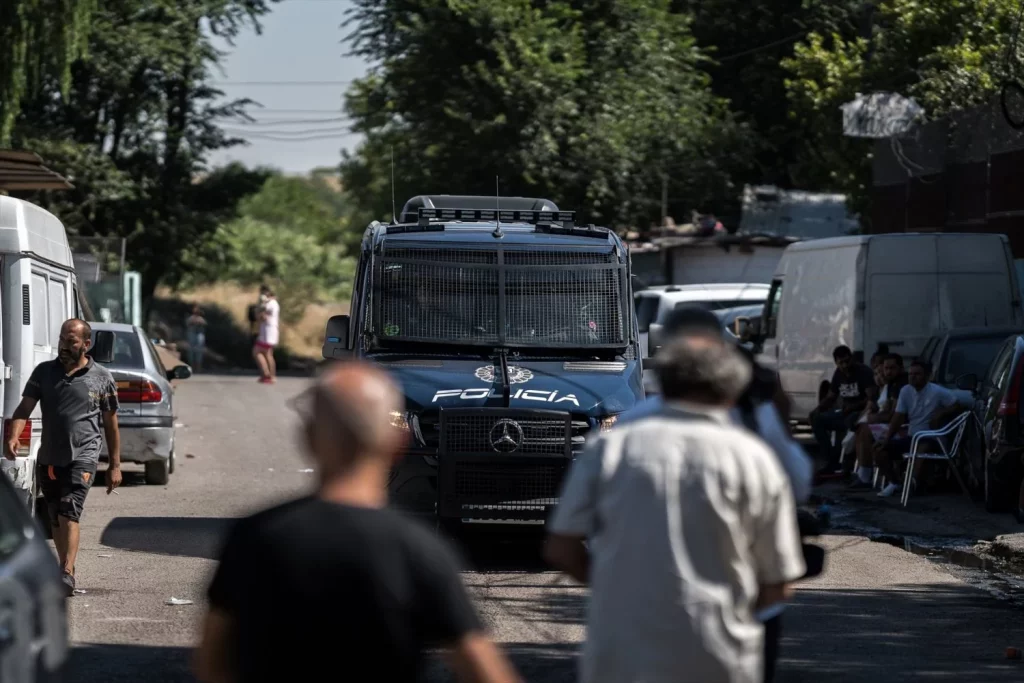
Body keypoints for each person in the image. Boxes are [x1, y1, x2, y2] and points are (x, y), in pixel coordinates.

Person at [194, 361, 521, 683]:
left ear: (308, 437)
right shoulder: (420, 551)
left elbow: (212, 663)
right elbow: (484, 671)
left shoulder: (254, 537)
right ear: (399, 442)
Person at [545, 333, 806, 683]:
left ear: (662, 385)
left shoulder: (609, 447)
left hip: (621, 652)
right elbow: (778, 584)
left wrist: (616, 590)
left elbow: (561, 549)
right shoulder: (753, 458)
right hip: (720, 656)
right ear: (730, 390)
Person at [4, 319, 121, 596]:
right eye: (61, 340)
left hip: (84, 455)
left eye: (71, 341)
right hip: (50, 456)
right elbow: (24, 409)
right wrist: (13, 436)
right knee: (55, 516)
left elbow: (111, 424)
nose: (64, 346)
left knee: (69, 510)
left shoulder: (102, 377)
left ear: (86, 344)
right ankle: (62, 567)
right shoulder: (44, 372)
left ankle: (68, 572)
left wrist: (115, 465)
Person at [874, 359, 962, 498]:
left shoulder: (937, 391)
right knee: (879, 450)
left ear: (926, 376)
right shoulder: (905, 391)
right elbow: (898, 417)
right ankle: (894, 483)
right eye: (910, 374)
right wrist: (887, 438)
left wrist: (941, 413)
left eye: (917, 374)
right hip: (912, 436)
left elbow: (956, 405)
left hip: (932, 438)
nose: (912, 377)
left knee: (922, 446)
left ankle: (912, 483)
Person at [810, 345, 875, 477]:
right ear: (836, 363)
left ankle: (846, 463)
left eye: (847, 361)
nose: (845, 365)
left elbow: (872, 398)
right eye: (841, 363)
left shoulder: (863, 372)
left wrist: (854, 406)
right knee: (817, 419)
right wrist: (817, 410)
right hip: (844, 412)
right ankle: (830, 459)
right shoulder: (838, 373)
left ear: (852, 358)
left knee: (849, 422)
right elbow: (831, 397)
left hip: (860, 413)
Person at [848, 353, 908, 489]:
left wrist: (873, 418)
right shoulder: (891, 384)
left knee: (865, 429)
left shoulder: (901, 384)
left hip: (903, 428)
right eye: (886, 368)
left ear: (901, 368)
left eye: (892, 368)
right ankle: (861, 472)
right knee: (860, 427)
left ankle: (864, 477)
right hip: (894, 425)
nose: (888, 372)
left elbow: (892, 415)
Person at [253, 286, 279, 384]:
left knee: (259, 352)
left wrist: (260, 308)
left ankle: (269, 375)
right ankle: (267, 375)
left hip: (268, 332)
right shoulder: (271, 303)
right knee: (266, 353)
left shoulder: (270, 304)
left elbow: (262, 317)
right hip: (267, 331)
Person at [186, 304, 208, 373]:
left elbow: (204, 324)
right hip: (192, 334)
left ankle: (198, 367)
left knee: (199, 351)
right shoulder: (191, 318)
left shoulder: (201, 318)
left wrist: (199, 322)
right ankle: (191, 367)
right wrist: (193, 322)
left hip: (199, 334)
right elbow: (188, 324)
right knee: (191, 351)